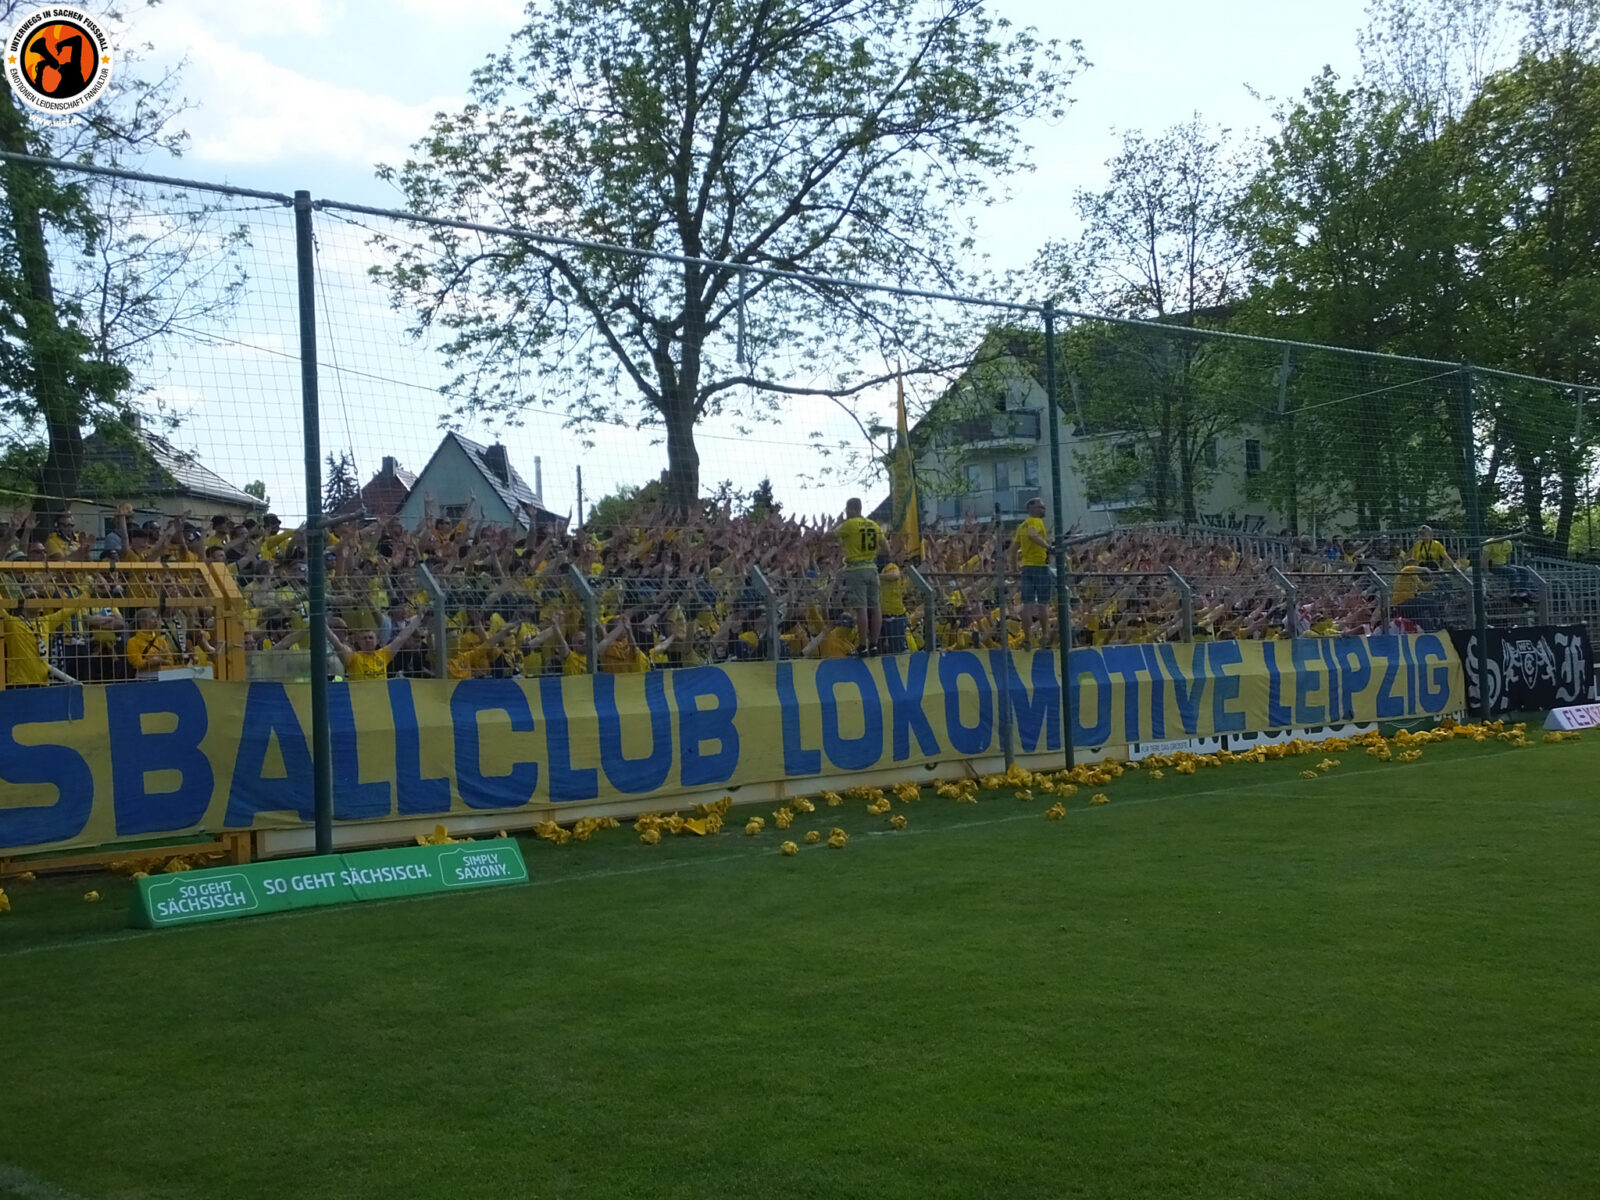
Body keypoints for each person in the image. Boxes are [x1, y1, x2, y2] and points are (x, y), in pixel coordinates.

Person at [835, 497, 882, 655]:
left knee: (861, 608)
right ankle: (874, 644)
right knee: (875, 607)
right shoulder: (874, 525)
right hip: (872, 567)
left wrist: (838, 523)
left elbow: (829, 536)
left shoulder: (849, 525)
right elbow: (887, 548)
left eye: (847, 509)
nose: (846, 512)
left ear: (853, 509)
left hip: (856, 569)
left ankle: (863, 645)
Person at [328, 615, 424, 681]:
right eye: (364, 638)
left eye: (370, 637)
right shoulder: (353, 658)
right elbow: (336, 643)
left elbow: (402, 637)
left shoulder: (383, 654)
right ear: (358, 642)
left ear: (377, 641)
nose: (368, 640)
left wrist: (419, 618)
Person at [1013, 496, 1053, 646]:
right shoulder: (1035, 522)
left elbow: (1012, 550)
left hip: (1026, 568)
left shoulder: (1021, 526)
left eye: (1043, 507)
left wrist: (1014, 567)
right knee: (1043, 604)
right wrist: (1048, 547)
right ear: (1031, 508)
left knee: (1027, 604)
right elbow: (1033, 535)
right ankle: (1044, 636)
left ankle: (1027, 639)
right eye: (1040, 507)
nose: (1043, 510)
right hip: (1040, 567)